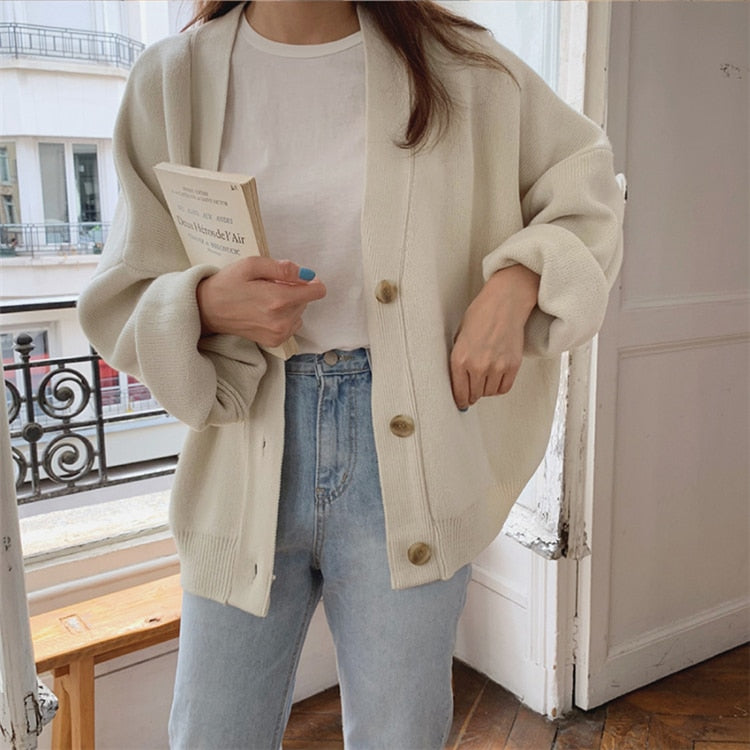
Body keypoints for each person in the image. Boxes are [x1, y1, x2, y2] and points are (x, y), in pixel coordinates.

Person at [78, 1, 624, 747]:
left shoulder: (462, 67)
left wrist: (518, 281)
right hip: (244, 451)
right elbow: (122, 291)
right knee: (212, 733)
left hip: (410, 454)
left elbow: (590, 192)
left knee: (400, 734)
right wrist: (201, 304)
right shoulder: (173, 79)